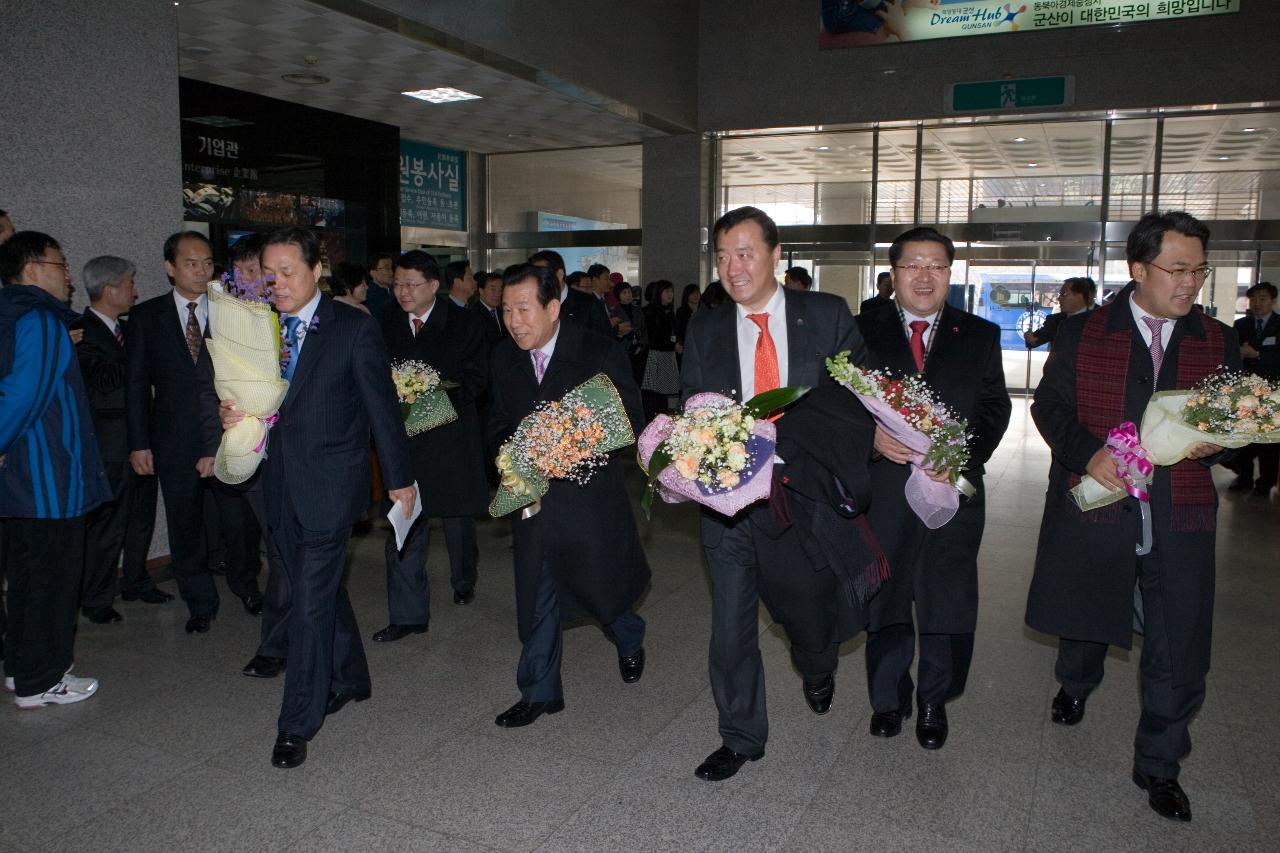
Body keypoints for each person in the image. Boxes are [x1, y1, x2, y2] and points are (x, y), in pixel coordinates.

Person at [1025, 211, 1239, 822]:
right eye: (1176, 269)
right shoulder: (1085, 332)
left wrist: (1216, 443)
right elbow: (1050, 406)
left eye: (1198, 269)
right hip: (1101, 502)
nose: (1189, 283)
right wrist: (1087, 453)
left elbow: (1226, 419)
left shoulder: (1215, 339)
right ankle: (1076, 681)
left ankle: (1160, 765)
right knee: (1088, 613)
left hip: (1181, 514)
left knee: (1180, 638)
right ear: (1138, 269)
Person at [680, 206, 865, 781]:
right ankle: (740, 734)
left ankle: (817, 665)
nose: (732, 267)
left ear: (776, 254)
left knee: (810, 619)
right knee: (730, 624)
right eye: (722, 255)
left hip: (804, 494)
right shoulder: (707, 326)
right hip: (731, 504)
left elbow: (858, 400)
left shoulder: (826, 314)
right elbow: (693, 405)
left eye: (745, 253)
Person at [220, 226, 415, 769]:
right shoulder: (257, 328)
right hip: (275, 482)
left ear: (316, 271)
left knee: (307, 600)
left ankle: (296, 722)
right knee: (318, 587)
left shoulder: (352, 328)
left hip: (331, 485)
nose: (275, 283)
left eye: (287, 272)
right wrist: (233, 415)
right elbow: (248, 399)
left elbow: (382, 409)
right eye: (268, 272)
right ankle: (351, 676)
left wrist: (400, 479)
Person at [858, 227, 1011, 750]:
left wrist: (960, 457)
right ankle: (887, 698)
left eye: (937, 266)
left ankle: (932, 701)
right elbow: (834, 406)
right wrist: (870, 438)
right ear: (893, 273)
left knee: (946, 597)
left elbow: (995, 407)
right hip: (882, 488)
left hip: (954, 489)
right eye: (912, 266)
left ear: (950, 273)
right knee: (887, 596)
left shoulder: (980, 334)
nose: (925, 276)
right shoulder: (859, 330)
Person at [485, 263, 649, 729]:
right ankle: (538, 690)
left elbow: (631, 419)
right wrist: (511, 452)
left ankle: (629, 634)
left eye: (523, 309)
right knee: (538, 591)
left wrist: (571, 441)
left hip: (588, 502)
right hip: (534, 502)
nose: (514, 321)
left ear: (553, 307)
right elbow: (496, 421)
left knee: (603, 592)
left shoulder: (597, 351)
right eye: (506, 310)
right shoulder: (503, 357)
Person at [126, 231, 262, 634]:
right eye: (191, 263)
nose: (202, 271)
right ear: (170, 268)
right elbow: (136, 385)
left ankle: (247, 585)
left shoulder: (233, 310)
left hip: (228, 432)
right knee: (185, 523)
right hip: (172, 438)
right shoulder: (147, 317)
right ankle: (199, 601)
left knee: (239, 521)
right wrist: (139, 443)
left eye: (207, 263)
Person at [1, 230, 111, 707]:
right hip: (50, 479)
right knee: (52, 580)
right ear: (32, 270)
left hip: (22, 481)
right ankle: (42, 680)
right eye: (60, 264)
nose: (67, 275)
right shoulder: (41, 320)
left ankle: (21, 669)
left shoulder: (12, 314)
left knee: (25, 578)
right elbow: (23, 396)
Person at [372, 250, 488, 643]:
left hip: (451, 437)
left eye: (411, 284)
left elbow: (476, 378)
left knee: (457, 518)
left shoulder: (465, 323)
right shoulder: (383, 322)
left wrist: (426, 401)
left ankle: (463, 579)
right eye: (397, 284)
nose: (402, 292)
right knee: (404, 524)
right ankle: (407, 615)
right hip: (402, 443)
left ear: (433, 286)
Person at [72, 256, 172, 624]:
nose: (135, 290)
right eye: (130, 283)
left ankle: (137, 580)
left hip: (142, 437)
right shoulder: (79, 333)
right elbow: (102, 386)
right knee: (108, 523)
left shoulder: (129, 332)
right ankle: (97, 597)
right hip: (109, 445)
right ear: (110, 289)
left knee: (142, 515)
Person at [1228, 282, 1279, 496]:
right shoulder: (1240, 325)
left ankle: (1265, 483)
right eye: (1254, 299)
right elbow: (1230, 355)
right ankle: (1244, 478)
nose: (1257, 303)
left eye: (1263, 298)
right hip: (1246, 391)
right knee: (1245, 436)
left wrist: (1258, 355)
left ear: (1273, 300)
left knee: (1270, 440)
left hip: (1273, 391)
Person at [529, 250, 611, 336]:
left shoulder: (589, 304)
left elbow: (606, 342)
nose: (536, 281)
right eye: (533, 276)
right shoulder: (533, 303)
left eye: (541, 275)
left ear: (559, 275)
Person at [641, 279, 680, 420]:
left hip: (668, 355)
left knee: (664, 394)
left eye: (671, 291)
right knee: (654, 393)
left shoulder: (669, 311)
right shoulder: (652, 312)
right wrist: (672, 345)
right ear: (659, 293)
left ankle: (662, 420)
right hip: (656, 355)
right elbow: (654, 338)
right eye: (667, 291)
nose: (670, 294)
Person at [1024, 276, 1097, 349]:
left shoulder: (1104, 318)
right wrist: (1030, 339)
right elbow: (1035, 340)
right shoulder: (1055, 320)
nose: (1058, 298)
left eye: (1064, 294)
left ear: (1081, 296)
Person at [610, 280, 647, 384]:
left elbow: (644, 329)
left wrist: (640, 344)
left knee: (638, 379)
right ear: (618, 295)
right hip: (623, 350)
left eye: (629, 292)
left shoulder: (637, 309)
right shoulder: (614, 311)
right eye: (624, 293)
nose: (628, 295)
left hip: (639, 350)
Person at [471, 271, 506, 348]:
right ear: (481, 291)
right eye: (493, 289)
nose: (497, 294)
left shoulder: (504, 312)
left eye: (500, 290)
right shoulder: (473, 314)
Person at [363, 252, 395, 318]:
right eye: (387, 268)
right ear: (373, 273)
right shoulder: (370, 297)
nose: (391, 272)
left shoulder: (393, 291)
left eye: (391, 268)